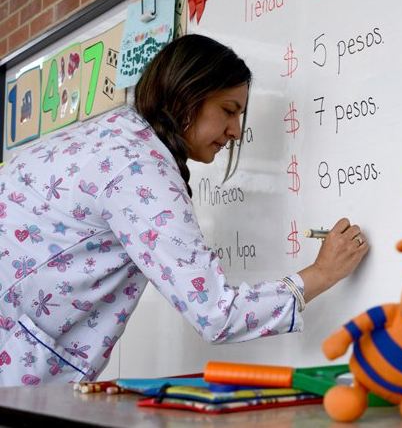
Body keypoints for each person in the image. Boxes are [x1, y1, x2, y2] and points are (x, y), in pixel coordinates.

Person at [0, 35, 368, 386]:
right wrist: (320, 274)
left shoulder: (112, 135)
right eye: (228, 111)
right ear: (186, 96)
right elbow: (216, 314)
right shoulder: (138, 169)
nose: (236, 131)